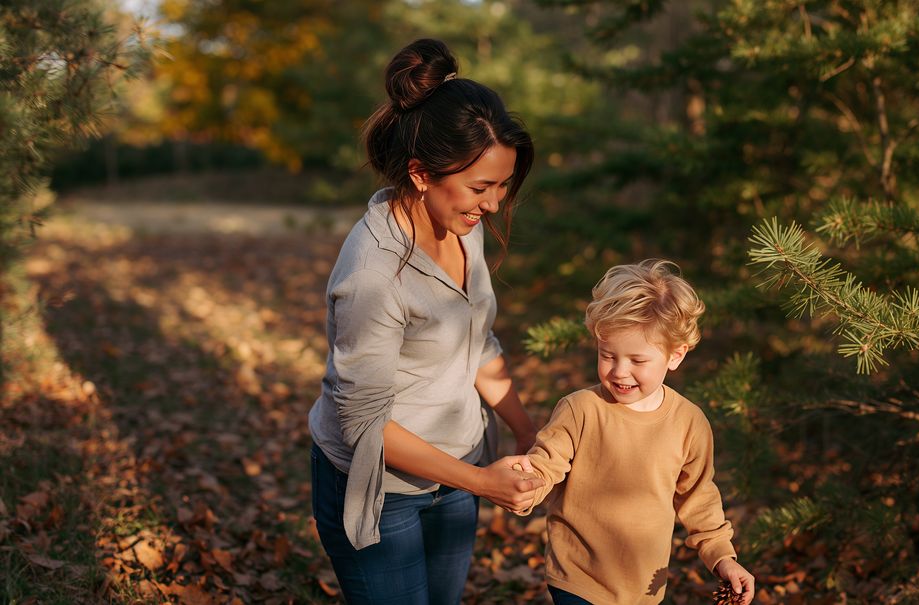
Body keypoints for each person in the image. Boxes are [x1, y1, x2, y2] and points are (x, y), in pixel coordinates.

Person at [308, 38, 543, 604]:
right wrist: (486, 483)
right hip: (380, 488)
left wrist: (526, 429)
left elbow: (476, 343)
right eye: (480, 187)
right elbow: (364, 424)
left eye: (502, 185)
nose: (492, 203)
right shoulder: (375, 273)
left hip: (457, 470)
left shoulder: (466, 227)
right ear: (420, 173)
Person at [514, 259, 756, 604]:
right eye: (607, 355)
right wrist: (525, 481)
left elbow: (698, 497)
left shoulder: (689, 423)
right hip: (577, 576)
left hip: (644, 588)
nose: (619, 372)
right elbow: (545, 465)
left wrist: (722, 558)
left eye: (638, 361)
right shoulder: (580, 409)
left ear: (676, 355)